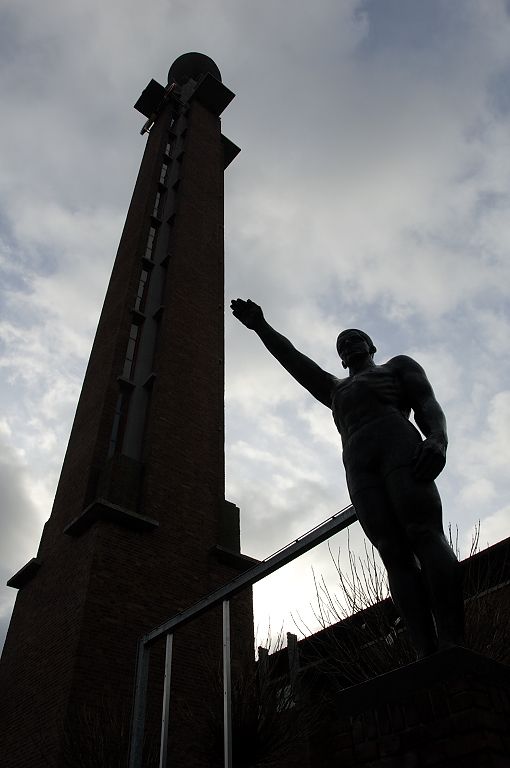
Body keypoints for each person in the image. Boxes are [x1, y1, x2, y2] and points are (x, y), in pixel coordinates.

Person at [231, 298, 464, 658]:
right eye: (342, 343)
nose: (349, 343)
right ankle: (424, 652)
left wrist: (437, 438)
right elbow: (293, 360)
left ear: (371, 346)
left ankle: (452, 641)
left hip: (398, 445)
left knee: (423, 532)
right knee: (392, 551)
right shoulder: (334, 388)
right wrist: (260, 325)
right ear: (340, 358)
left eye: (356, 338)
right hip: (358, 462)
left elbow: (427, 403)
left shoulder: (396, 367)